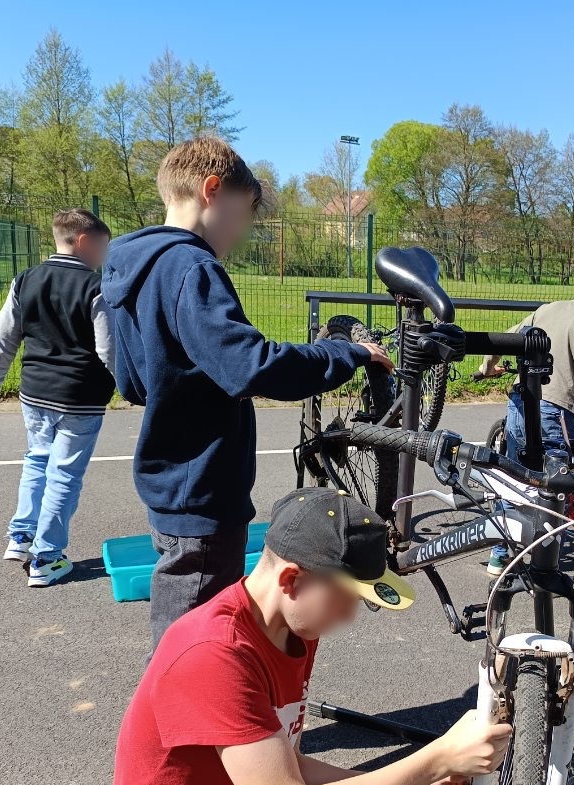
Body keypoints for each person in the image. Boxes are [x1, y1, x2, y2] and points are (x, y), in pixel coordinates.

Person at [100, 137, 393, 649]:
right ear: (212, 191)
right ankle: (188, 730)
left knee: (188, 623)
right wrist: (347, 355)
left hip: (171, 475)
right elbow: (253, 366)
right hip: (203, 484)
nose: (240, 232)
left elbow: (133, 379)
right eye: (243, 215)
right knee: (194, 644)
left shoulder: (133, 265)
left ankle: (198, 723)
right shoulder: (190, 268)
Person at [104, 488, 512, 785]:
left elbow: (289, 766)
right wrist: (437, 758)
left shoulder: (290, 628)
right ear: (292, 581)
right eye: (346, 597)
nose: (351, 616)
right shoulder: (214, 653)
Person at [0, 208, 114, 587]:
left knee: (37, 461)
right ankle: (47, 558)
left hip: (35, 394)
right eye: (103, 246)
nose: (104, 255)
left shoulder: (26, 279)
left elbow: (2, 338)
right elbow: (109, 350)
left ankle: (21, 536)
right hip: (80, 398)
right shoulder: (96, 287)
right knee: (64, 475)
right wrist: (139, 389)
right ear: (84, 242)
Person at [477, 275, 574, 574]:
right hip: (554, 408)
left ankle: (500, 554)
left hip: (520, 403)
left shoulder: (546, 308)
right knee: (556, 487)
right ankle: (546, 566)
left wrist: (487, 367)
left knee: (513, 479)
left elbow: (504, 337)